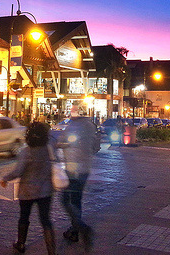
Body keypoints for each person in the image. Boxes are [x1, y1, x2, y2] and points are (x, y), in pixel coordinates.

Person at [0, 121, 56, 254]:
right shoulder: (47, 149)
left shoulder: (26, 152)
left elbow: (18, 171)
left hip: (27, 191)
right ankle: (51, 250)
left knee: (24, 216)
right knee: (45, 219)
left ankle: (21, 244)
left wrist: (5, 178)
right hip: (45, 190)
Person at [58, 107, 98, 250]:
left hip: (74, 169)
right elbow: (95, 146)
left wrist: (61, 145)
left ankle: (82, 227)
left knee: (65, 200)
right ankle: (74, 231)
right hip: (85, 168)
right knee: (76, 200)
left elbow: (62, 142)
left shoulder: (73, 126)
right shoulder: (90, 126)